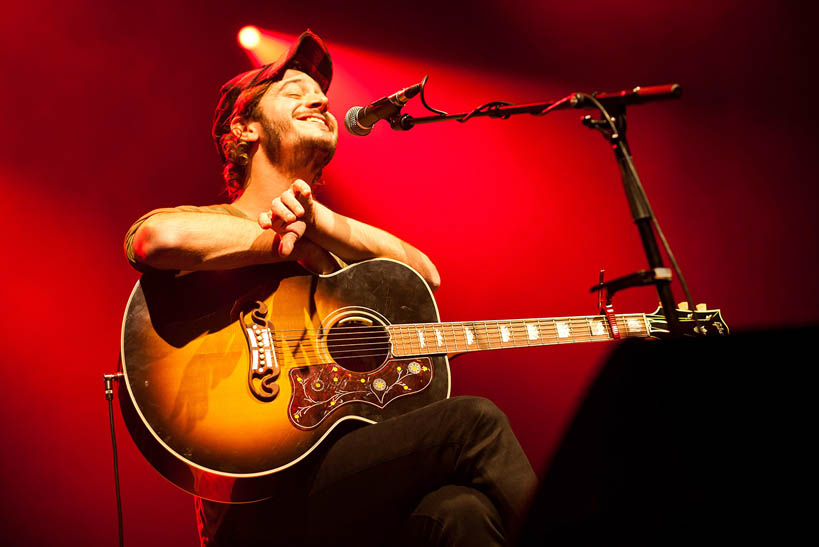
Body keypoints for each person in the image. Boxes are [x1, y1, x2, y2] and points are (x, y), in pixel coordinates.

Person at [124, 30, 536, 546]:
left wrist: (319, 224)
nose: (319, 99)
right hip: (257, 508)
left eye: (318, 94)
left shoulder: (340, 265)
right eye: (293, 92)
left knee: (463, 511)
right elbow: (156, 239)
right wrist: (277, 243)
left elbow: (425, 275)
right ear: (244, 128)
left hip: (348, 492)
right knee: (475, 423)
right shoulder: (209, 225)